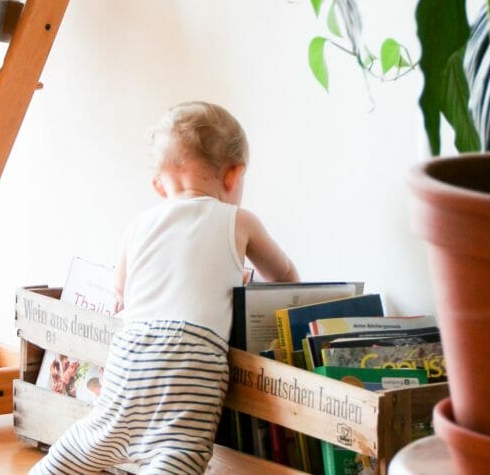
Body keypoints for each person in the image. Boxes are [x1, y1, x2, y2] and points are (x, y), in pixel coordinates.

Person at [29, 101, 299, 475]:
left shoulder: (138, 225)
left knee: (100, 436)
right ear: (233, 176)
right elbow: (284, 277)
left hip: (132, 350)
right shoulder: (239, 220)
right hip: (192, 357)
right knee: (178, 449)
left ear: (159, 185)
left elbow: (121, 293)